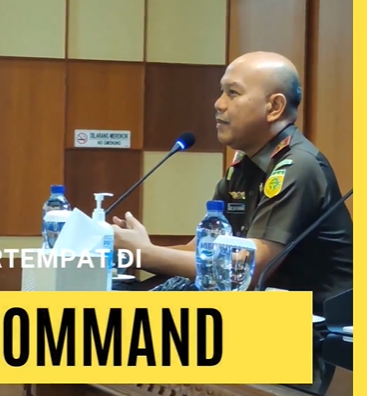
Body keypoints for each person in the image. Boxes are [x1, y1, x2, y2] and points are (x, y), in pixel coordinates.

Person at [112, 51, 353, 315]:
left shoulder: (298, 166)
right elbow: (199, 251)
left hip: (317, 325)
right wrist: (133, 249)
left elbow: (249, 270)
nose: (218, 103)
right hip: (266, 314)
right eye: (221, 92)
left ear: (274, 107)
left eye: (233, 93)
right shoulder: (245, 165)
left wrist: (144, 253)